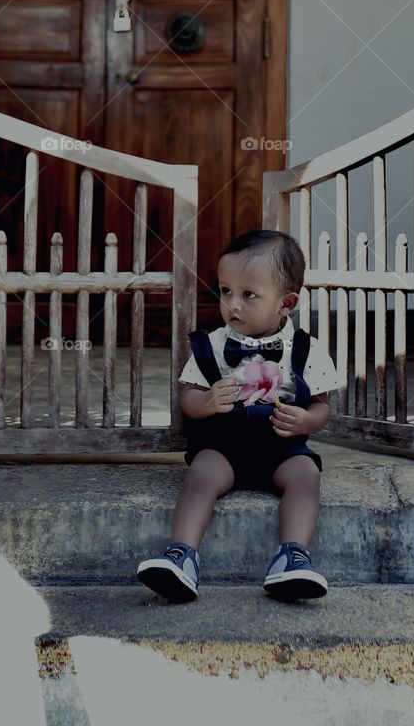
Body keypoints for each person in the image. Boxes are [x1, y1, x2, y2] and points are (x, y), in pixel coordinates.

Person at [136, 229, 338, 603]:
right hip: (223, 449)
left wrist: (307, 422)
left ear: (286, 303)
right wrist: (208, 402)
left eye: (248, 294)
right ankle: (181, 554)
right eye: (226, 291)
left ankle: (292, 556)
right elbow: (189, 398)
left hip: (282, 452)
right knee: (200, 474)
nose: (233, 305)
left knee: (307, 476)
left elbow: (322, 404)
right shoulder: (212, 344)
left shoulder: (306, 349)